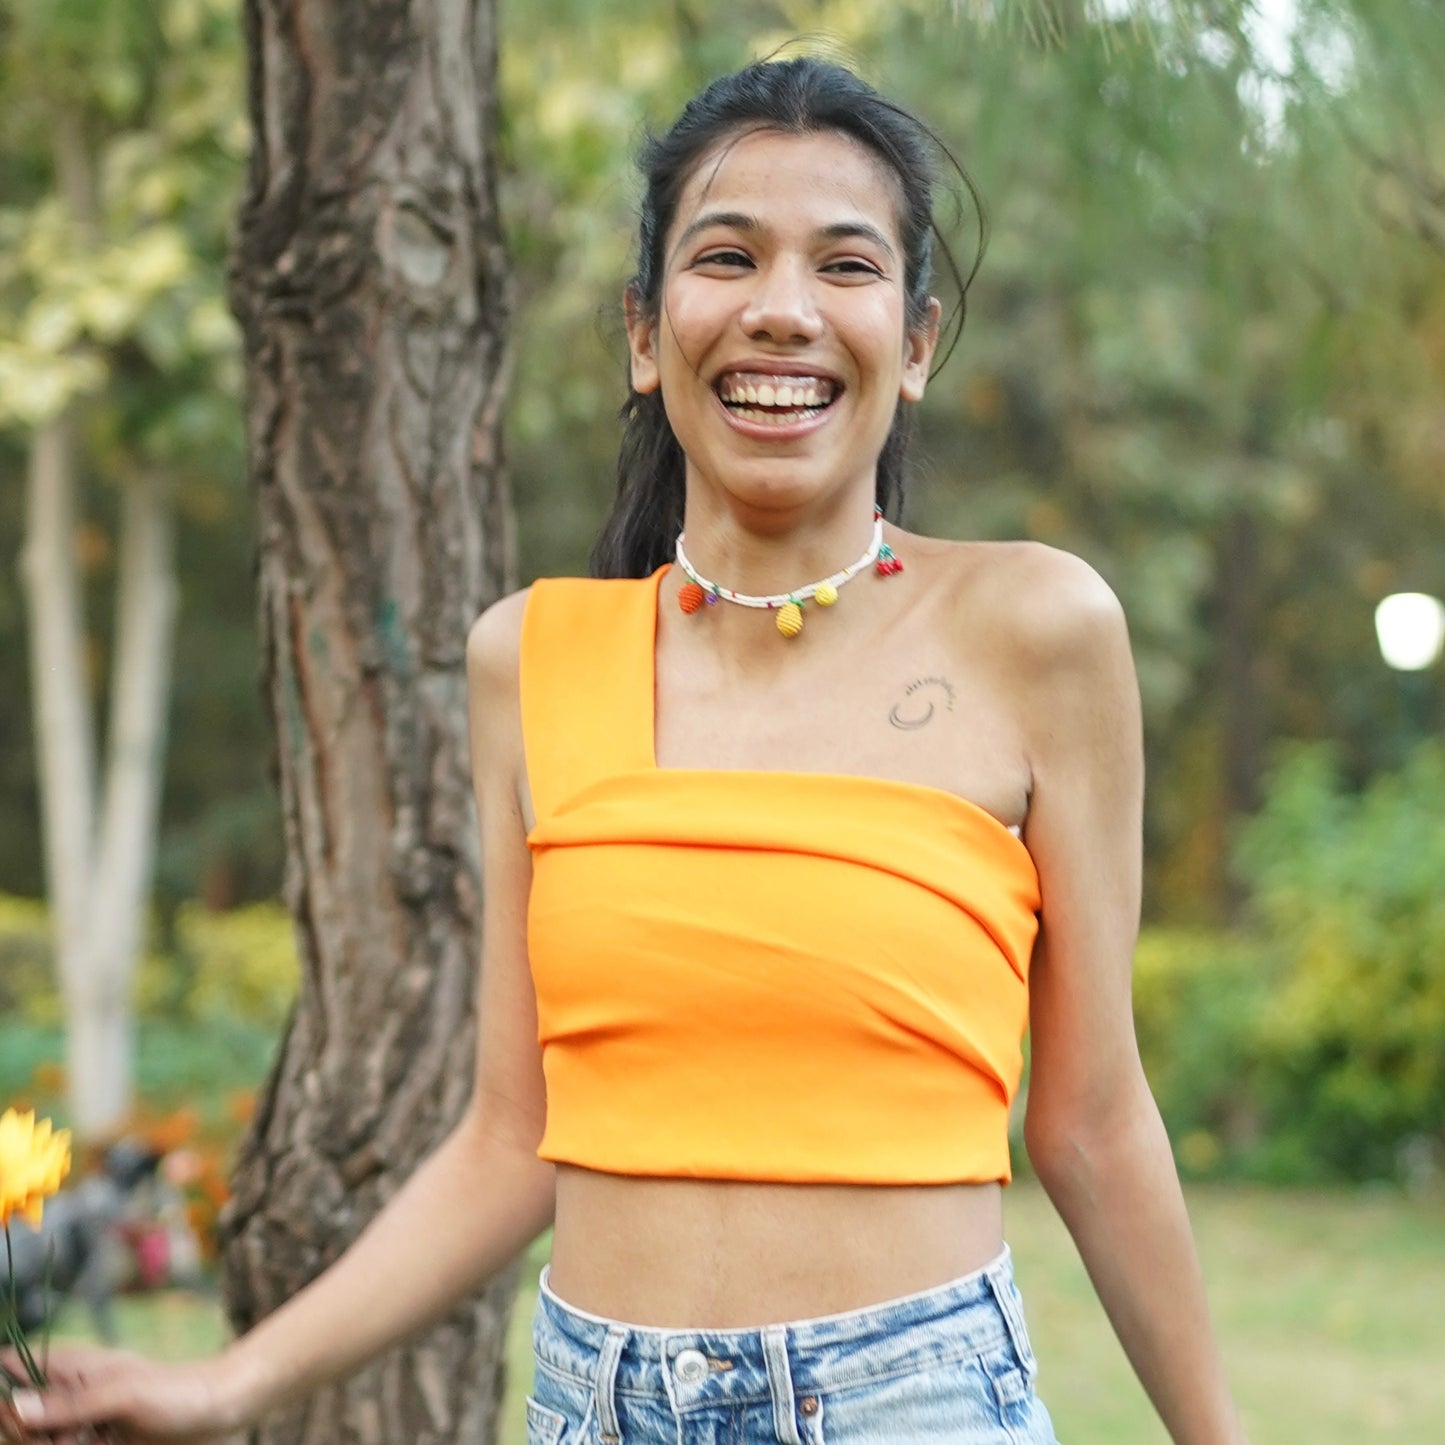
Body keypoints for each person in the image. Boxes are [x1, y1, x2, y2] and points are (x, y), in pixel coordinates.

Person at [1, 56, 1248, 1445]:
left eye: (844, 264)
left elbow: (1089, 1120)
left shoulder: (1036, 626)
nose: (781, 310)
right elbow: (504, 1137)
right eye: (726, 257)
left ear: (916, 342)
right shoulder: (528, 658)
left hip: (912, 1401)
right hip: (593, 1406)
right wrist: (217, 1383)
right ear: (646, 337)